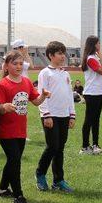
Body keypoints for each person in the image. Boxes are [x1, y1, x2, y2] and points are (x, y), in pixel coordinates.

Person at [0, 51, 49, 203]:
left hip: (20, 130)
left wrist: (44, 96)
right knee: (15, 161)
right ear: (6, 66)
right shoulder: (3, 84)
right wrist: (4, 107)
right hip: (6, 130)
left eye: (20, 64)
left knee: (13, 160)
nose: (18, 66)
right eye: (15, 63)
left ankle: (2, 189)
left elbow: (36, 101)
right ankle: (18, 195)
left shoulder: (26, 82)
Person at [35, 41, 76, 193]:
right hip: (51, 115)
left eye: (63, 53)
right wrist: (46, 115)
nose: (62, 56)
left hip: (64, 115)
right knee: (52, 146)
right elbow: (42, 94)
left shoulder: (65, 73)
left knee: (60, 148)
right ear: (51, 56)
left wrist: (72, 115)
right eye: (59, 53)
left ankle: (58, 180)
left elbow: (69, 95)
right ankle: (40, 173)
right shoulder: (45, 73)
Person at [79, 35, 102, 155]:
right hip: (92, 93)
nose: (100, 45)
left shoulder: (93, 57)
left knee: (96, 120)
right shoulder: (90, 58)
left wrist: (100, 58)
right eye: (98, 43)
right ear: (94, 45)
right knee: (89, 120)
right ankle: (85, 146)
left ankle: (95, 144)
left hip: (98, 92)